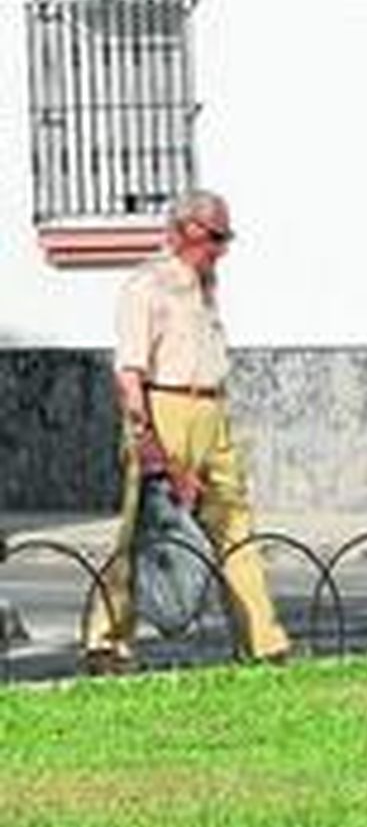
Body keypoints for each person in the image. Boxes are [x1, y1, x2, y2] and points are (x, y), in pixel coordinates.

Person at [82, 190, 289, 674]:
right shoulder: (148, 284)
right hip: (164, 406)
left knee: (235, 524)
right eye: (216, 237)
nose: (222, 249)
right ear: (186, 230)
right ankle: (107, 640)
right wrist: (149, 442)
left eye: (226, 238)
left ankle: (262, 641)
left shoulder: (204, 284)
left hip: (210, 409)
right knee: (145, 531)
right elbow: (129, 371)